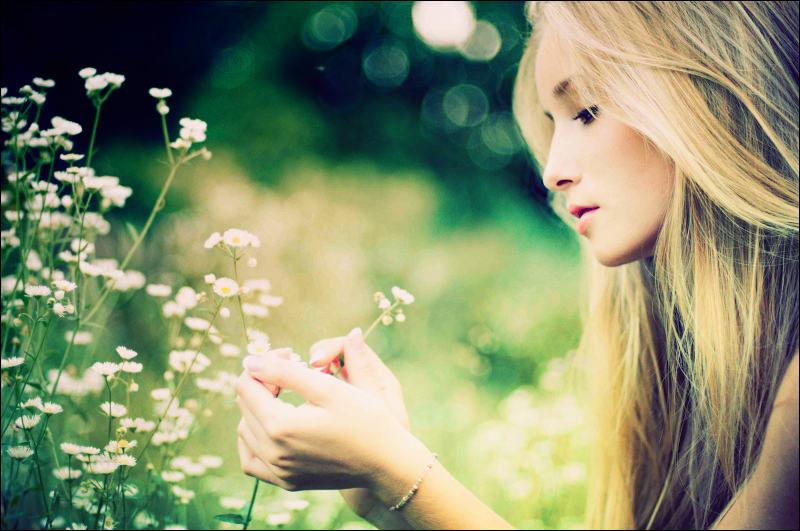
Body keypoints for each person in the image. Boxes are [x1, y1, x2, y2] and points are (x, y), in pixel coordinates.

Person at [234, 2, 799, 529]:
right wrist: (383, 491)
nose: (553, 171)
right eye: (553, 124)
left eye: (587, 110)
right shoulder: (679, 368)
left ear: (710, 92)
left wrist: (398, 470)